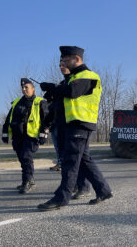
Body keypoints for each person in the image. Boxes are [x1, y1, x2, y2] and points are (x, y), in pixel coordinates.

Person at [37, 46, 112, 211]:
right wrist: (54, 94)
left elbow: (72, 92)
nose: (63, 63)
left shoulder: (87, 76)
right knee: (85, 161)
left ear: (77, 59)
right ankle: (104, 190)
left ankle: (61, 198)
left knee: (70, 161)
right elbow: (65, 99)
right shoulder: (74, 77)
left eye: (66, 60)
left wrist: (52, 87)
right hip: (74, 124)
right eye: (62, 60)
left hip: (80, 123)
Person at [45, 60, 91, 198]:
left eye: (64, 64)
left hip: (78, 125)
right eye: (59, 65)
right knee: (66, 158)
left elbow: (73, 95)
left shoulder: (79, 81)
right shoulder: (64, 83)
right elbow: (58, 105)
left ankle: (83, 187)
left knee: (80, 158)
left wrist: (54, 89)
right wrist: (52, 96)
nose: (61, 67)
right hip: (62, 124)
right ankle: (71, 186)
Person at [2, 78, 49, 194]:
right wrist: (5, 133)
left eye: (26, 87)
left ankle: (28, 181)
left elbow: (47, 120)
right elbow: (9, 119)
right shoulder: (17, 102)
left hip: (31, 136)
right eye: (22, 88)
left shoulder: (40, 102)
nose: (24, 89)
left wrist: (43, 134)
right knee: (22, 159)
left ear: (33, 88)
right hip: (17, 136)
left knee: (26, 156)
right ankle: (27, 180)